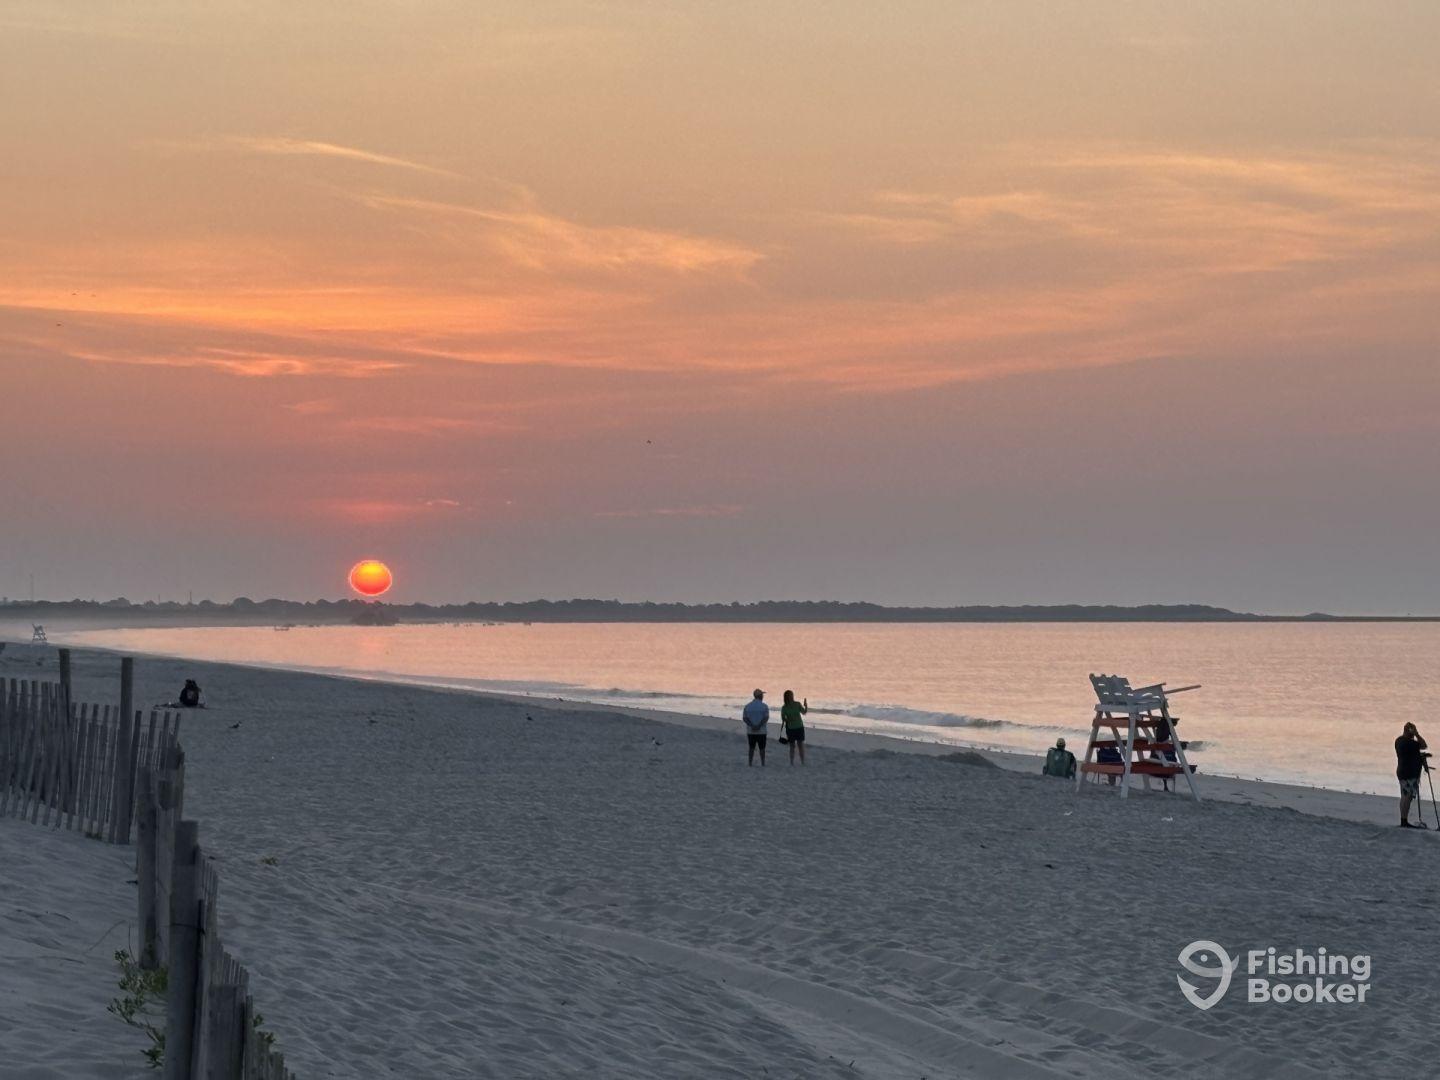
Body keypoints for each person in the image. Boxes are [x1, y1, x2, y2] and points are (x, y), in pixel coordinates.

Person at [1395, 722, 1429, 828]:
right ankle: (1404, 821)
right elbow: (1424, 745)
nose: (1413, 734)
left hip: (1402, 771)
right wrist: (1417, 734)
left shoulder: (1399, 740)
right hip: (1409, 773)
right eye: (1412, 731)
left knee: (1405, 796)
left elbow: (1412, 753)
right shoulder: (1411, 743)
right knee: (1407, 796)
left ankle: (1403, 820)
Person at [742, 689, 769, 767]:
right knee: (762, 748)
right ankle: (763, 763)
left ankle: (750, 763)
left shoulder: (748, 706)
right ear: (760, 696)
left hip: (751, 731)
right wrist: (759, 726)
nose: (763, 696)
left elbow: (745, 718)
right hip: (762, 731)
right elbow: (766, 718)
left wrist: (752, 725)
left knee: (751, 748)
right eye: (762, 695)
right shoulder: (764, 706)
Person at [780, 690, 808, 765]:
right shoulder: (785, 707)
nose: (792, 696)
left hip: (797, 727)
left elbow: (804, 712)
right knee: (794, 746)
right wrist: (788, 719)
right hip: (792, 728)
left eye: (792, 695)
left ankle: (801, 762)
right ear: (787, 697)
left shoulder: (796, 704)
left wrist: (805, 705)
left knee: (799, 746)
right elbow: (783, 719)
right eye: (791, 695)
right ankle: (793, 762)